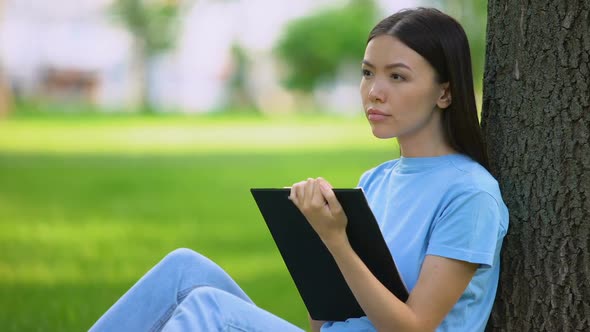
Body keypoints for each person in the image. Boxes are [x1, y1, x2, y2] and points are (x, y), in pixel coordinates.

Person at [90, 7, 508, 332]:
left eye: (397, 77)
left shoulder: (469, 194)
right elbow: (327, 321)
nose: (374, 92)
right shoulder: (376, 181)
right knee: (184, 268)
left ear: (445, 93)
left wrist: (336, 242)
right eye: (367, 73)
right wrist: (316, 248)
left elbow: (414, 327)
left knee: (209, 309)